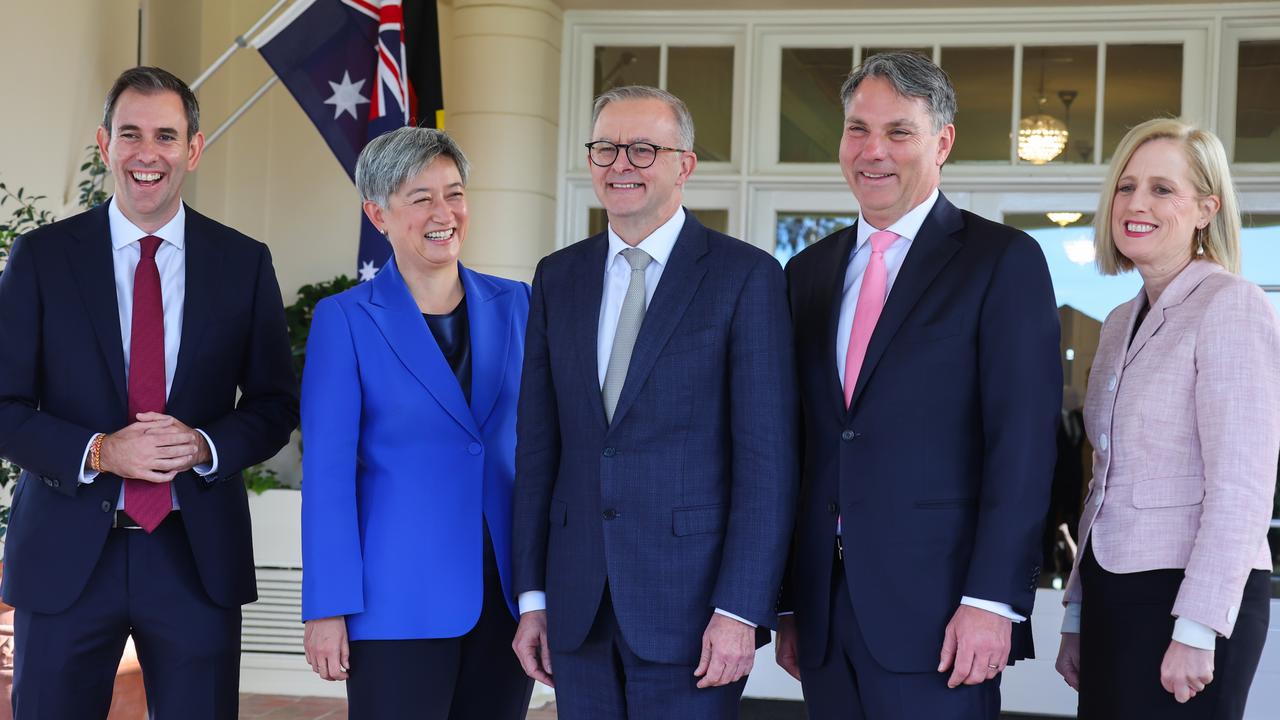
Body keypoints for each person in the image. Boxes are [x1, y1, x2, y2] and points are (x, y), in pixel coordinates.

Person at [0, 66, 299, 719]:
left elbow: (276, 405)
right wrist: (101, 452)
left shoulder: (242, 263)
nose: (147, 153)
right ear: (105, 145)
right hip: (67, 556)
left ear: (192, 149)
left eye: (166, 135)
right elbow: (4, 408)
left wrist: (203, 444)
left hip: (194, 558)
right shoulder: (41, 258)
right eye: (130, 134)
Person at [776, 52, 1061, 720]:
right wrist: (790, 599)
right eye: (857, 130)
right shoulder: (807, 273)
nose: (873, 151)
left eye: (898, 131)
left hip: (943, 616)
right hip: (823, 611)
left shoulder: (1001, 262)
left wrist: (992, 602)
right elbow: (799, 444)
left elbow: (1021, 446)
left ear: (943, 141)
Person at [510, 85, 799, 719]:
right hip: (576, 605)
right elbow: (537, 448)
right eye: (606, 148)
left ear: (684, 165)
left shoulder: (745, 277)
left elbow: (767, 462)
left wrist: (740, 610)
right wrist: (533, 599)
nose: (621, 165)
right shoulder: (558, 277)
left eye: (643, 149)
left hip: (694, 610)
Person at [300, 127, 534, 719]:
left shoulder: (521, 305)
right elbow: (328, 475)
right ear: (377, 214)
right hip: (394, 599)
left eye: (454, 193)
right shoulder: (345, 319)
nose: (444, 213)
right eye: (420, 196)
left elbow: (543, 450)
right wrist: (326, 608)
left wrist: (542, 594)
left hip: (505, 597)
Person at [1054, 118, 1278, 720]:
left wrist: (1198, 627)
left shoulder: (1232, 304)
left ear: (1206, 208)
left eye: (1161, 189)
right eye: (1126, 187)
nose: (1136, 204)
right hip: (1113, 591)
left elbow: (1243, 488)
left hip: (1187, 597)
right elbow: (1104, 482)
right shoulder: (1120, 321)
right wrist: (1077, 611)